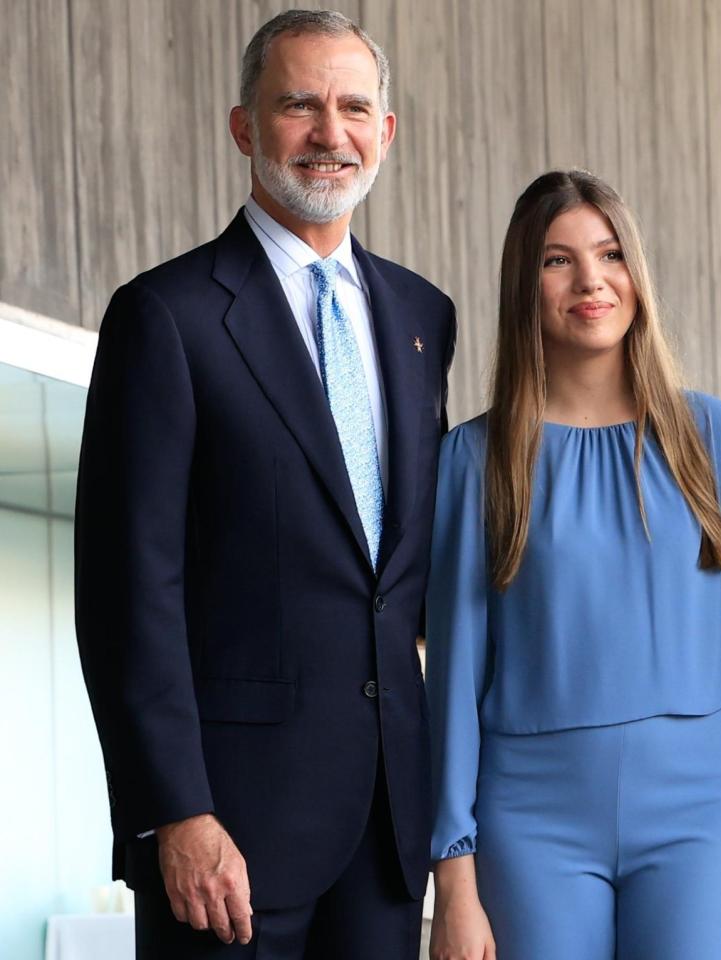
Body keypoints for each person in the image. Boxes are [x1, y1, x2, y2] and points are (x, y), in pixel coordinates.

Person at [73, 10, 454, 957]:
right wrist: (176, 812)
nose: (331, 133)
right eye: (299, 105)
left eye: (354, 107)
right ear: (245, 127)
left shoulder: (422, 317)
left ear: (388, 131)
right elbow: (129, 591)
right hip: (229, 835)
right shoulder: (166, 316)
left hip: (386, 830)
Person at [424, 170, 721, 960]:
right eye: (556, 261)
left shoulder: (715, 434)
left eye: (609, 254)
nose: (591, 281)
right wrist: (453, 873)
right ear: (523, 286)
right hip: (531, 815)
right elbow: (455, 672)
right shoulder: (476, 457)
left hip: (699, 808)